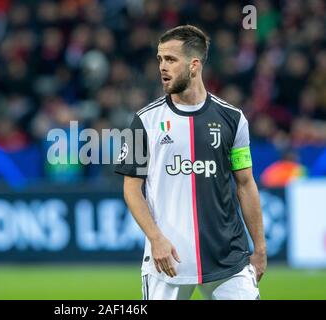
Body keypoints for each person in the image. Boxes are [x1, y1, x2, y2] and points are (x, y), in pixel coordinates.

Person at [114, 25, 267, 300]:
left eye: (170, 60)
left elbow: (246, 185)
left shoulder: (233, 119)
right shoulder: (143, 121)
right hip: (167, 261)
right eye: (160, 59)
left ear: (194, 65)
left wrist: (260, 248)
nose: (162, 66)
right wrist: (155, 239)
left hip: (227, 259)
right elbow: (131, 189)